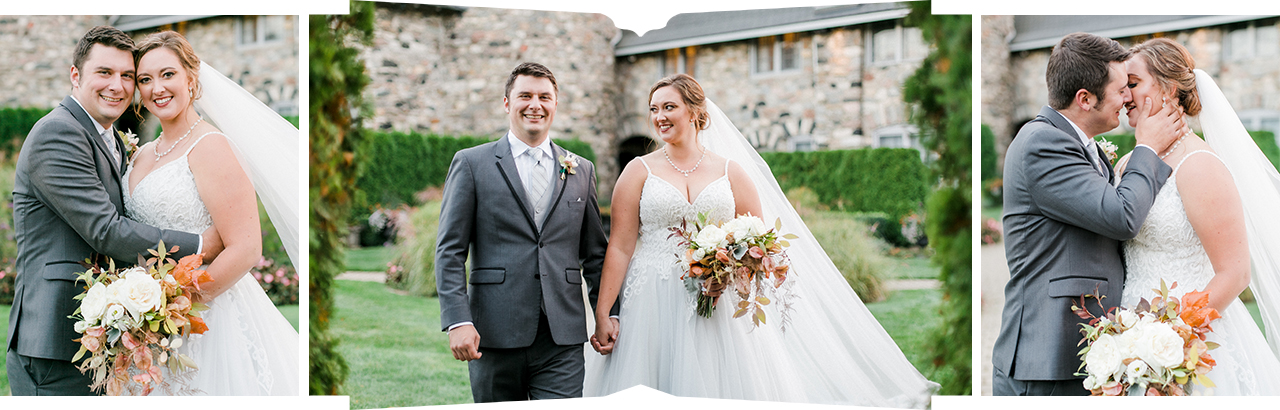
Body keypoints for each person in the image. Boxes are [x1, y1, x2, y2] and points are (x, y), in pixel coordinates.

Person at [582, 74, 938, 408]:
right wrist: (603, 312)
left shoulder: (730, 171)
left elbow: (758, 240)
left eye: (669, 107)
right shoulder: (638, 171)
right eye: (654, 109)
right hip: (652, 302)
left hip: (719, 302)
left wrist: (730, 272)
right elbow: (621, 246)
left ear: (695, 112)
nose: (659, 116)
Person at [6, 26, 223, 396]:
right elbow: (107, 231)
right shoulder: (58, 133)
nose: (118, 86)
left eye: (127, 76)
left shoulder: (109, 138)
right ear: (75, 76)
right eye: (104, 73)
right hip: (56, 340)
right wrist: (202, 242)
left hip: (100, 335)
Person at [992, 32, 1186, 396]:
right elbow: (1121, 216)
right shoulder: (1043, 143)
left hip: (1082, 347)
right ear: (1085, 99)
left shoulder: (1081, 145)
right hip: (1048, 353)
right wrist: (1147, 146)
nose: (1127, 97)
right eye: (1119, 89)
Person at [124, 30, 299, 395]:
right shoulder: (139, 155)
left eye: (168, 74)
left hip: (207, 317)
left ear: (191, 76)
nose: (157, 88)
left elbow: (246, 248)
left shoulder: (211, 146)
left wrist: (176, 309)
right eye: (145, 79)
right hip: (143, 324)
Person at [435, 62, 613, 402]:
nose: (536, 105)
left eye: (545, 97)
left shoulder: (581, 169)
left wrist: (606, 313)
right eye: (525, 96)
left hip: (562, 335)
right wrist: (458, 320)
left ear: (556, 104)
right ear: (507, 103)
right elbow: (450, 251)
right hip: (494, 332)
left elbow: (595, 254)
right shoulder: (472, 164)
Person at [1115, 37, 1280, 395]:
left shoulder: (1199, 165)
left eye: (1133, 84)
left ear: (1169, 88)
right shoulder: (1128, 164)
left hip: (1186, 344)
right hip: (1127, 340)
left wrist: (1170, 342)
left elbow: (1235, 273)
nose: (1123, 96)